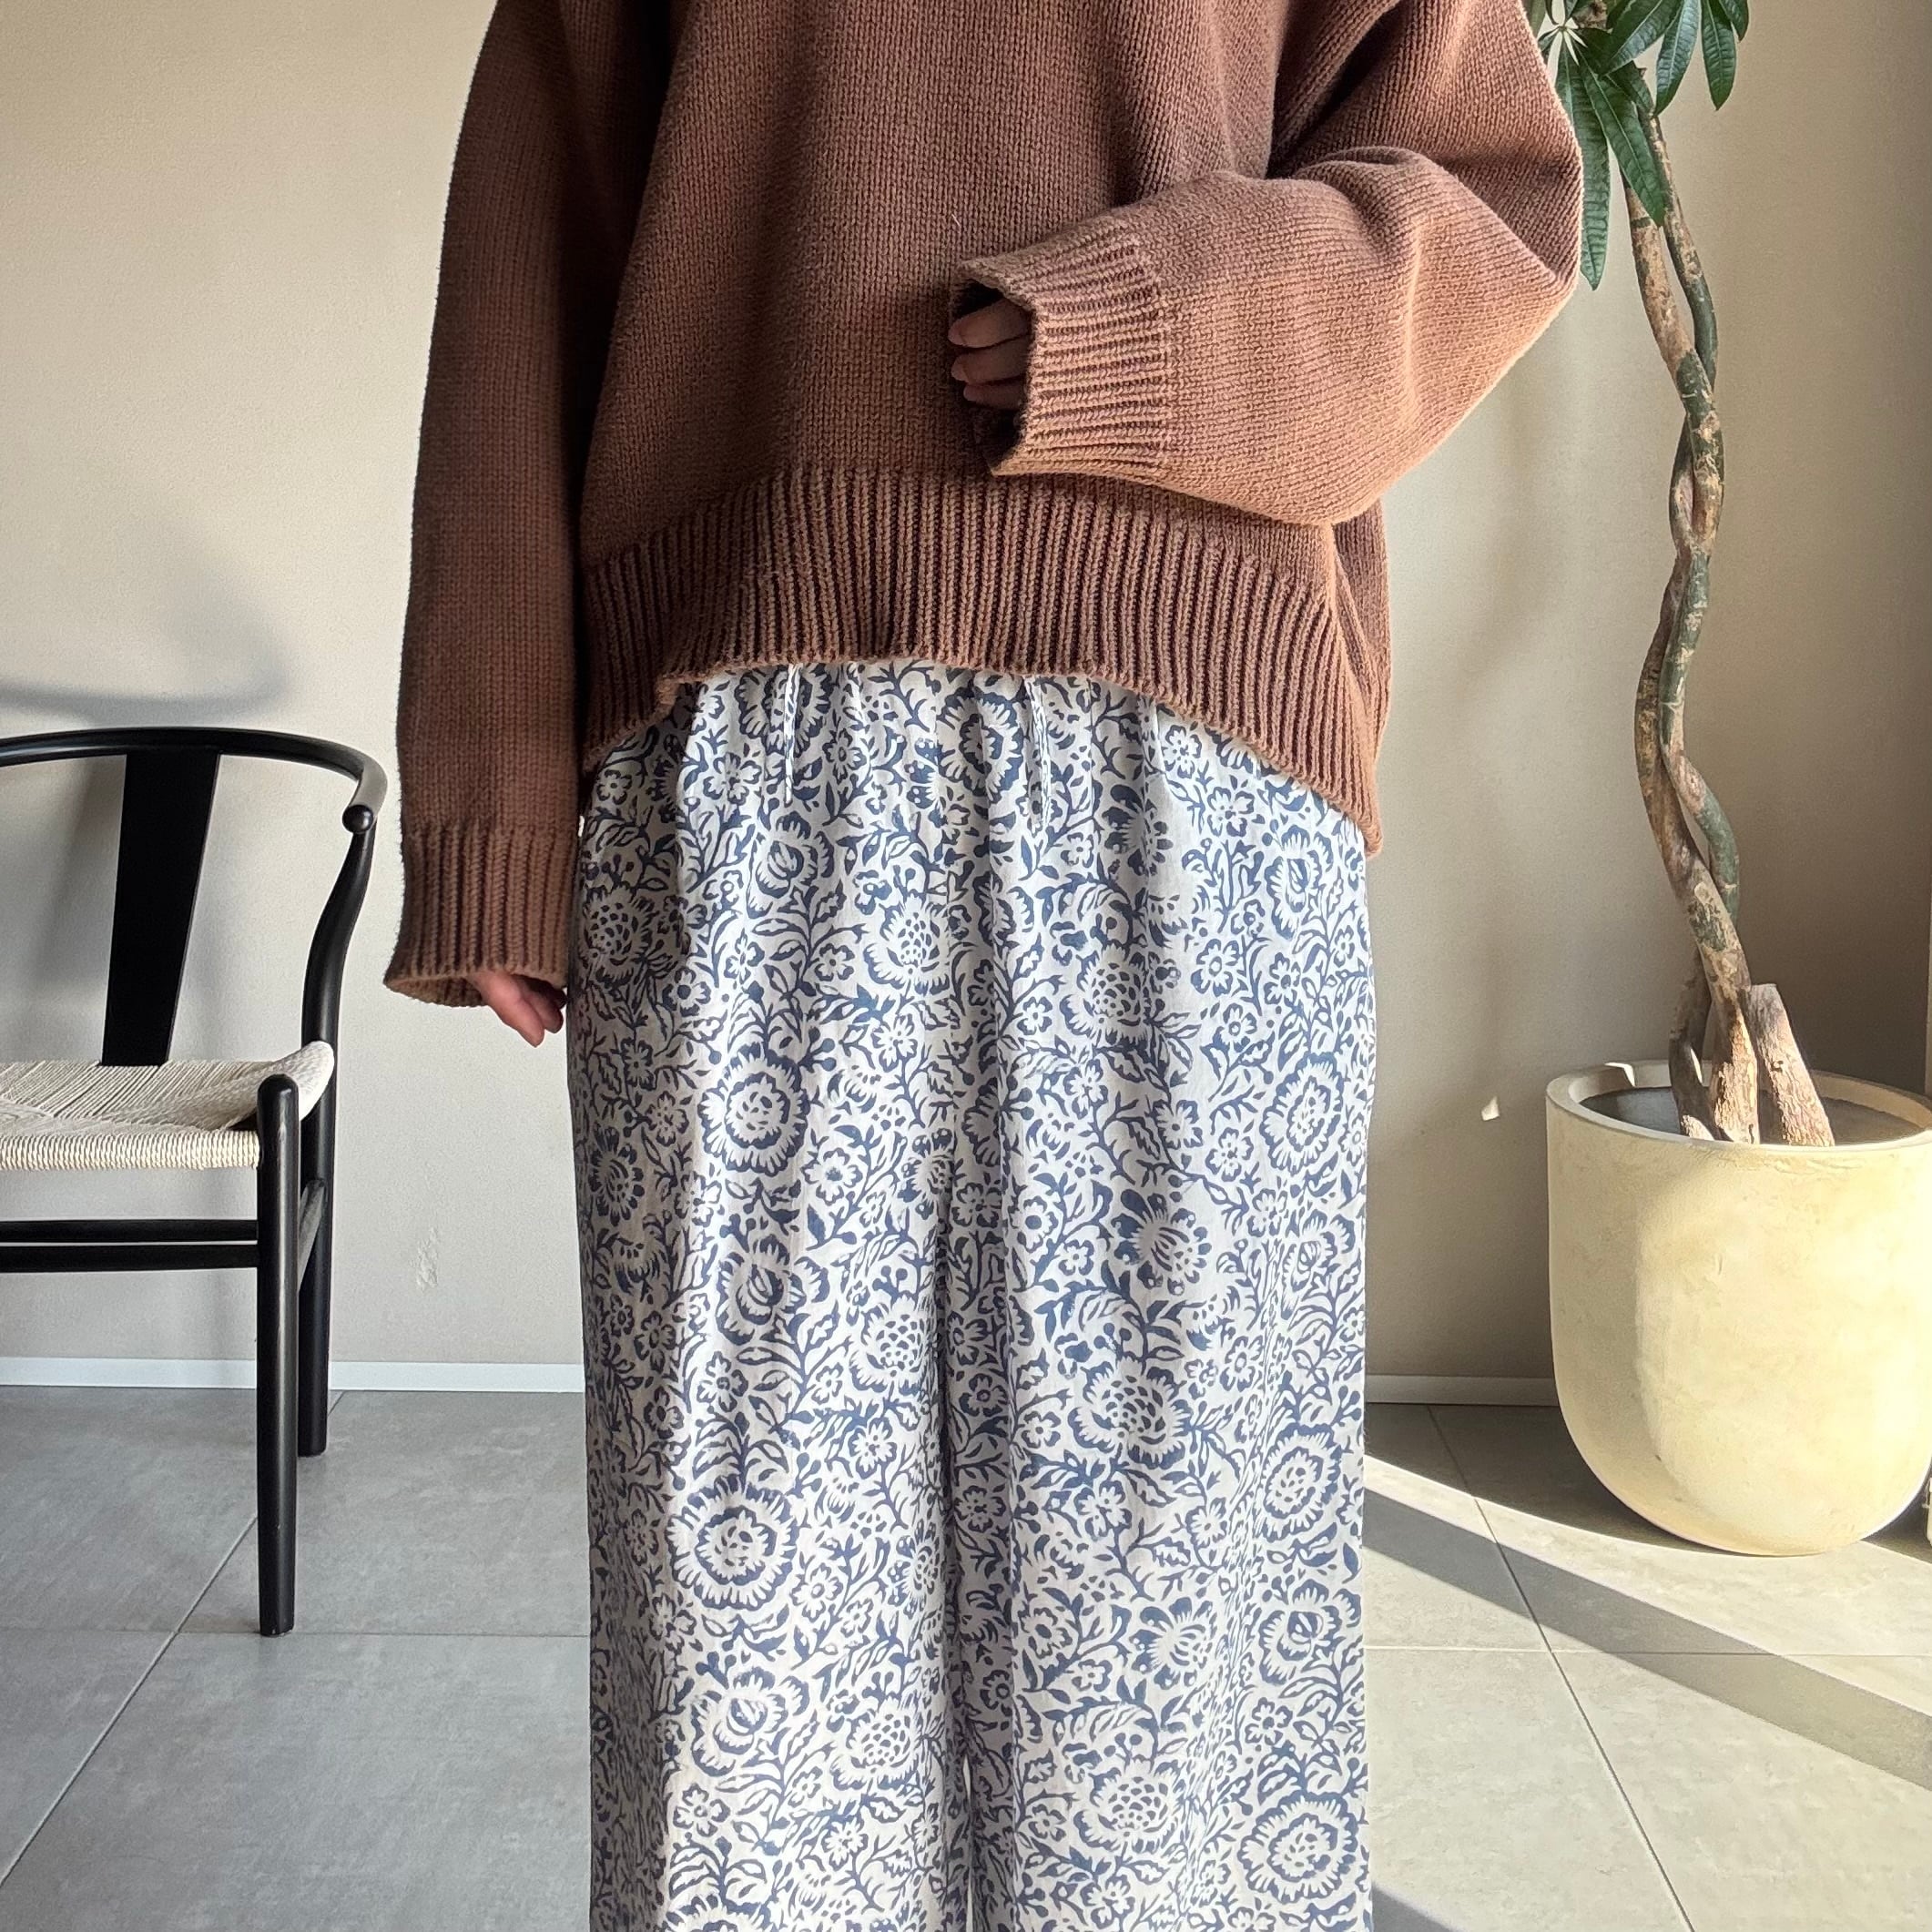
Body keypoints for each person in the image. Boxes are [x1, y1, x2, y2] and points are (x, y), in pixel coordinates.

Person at [383, 1, 1581, 1925]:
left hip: (1184, 793)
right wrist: (489, 813)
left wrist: (1154, 331)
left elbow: (1487, 199)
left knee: (1154, 1646)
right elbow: (532, 246)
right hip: (752, 781)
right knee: (751, 1638)